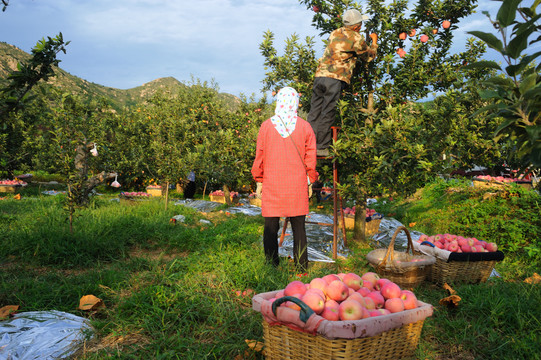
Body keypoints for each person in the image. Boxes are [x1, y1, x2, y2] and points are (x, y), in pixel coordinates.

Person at [251, 87, 318, 270]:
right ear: (295, 102)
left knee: (271, 226)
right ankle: (302, 267)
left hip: (273, 182)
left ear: (279, 101)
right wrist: (310, 179)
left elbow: (260, 155)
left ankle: (272, 265)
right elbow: (311, 156)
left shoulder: (266, 126)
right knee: (299, 227)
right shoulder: (305, 127)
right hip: (297, 183)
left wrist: (259, 179)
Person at [307, 9, 378, 157]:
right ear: (356, 26)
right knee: (328, 111)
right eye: (360, 24)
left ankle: (308, 146)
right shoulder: (357, 38)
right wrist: (374, 42)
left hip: (320, 76)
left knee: (314, 112)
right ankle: (321, 147)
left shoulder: (334, 33)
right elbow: (369, 56)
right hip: (335, 78)